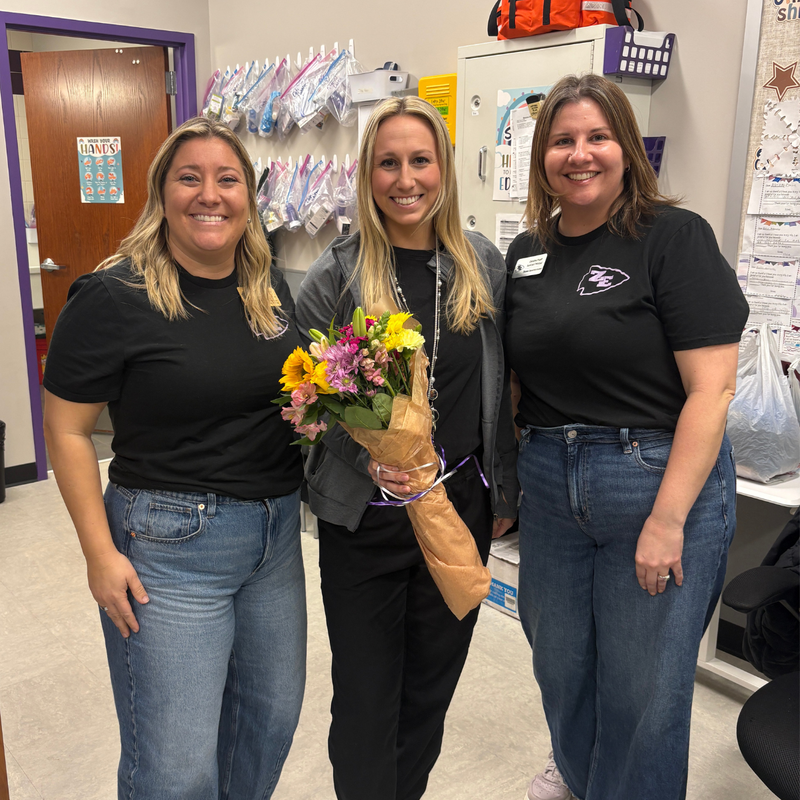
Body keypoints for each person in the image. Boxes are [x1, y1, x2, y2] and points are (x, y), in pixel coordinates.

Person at [42, 117, 306, 799]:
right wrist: (100, 555)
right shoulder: (112, 297)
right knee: (176, 763)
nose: (209, 194)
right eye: (190, 177)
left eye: (228, 179)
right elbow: (67, 431)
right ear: (162, 192)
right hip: (168, 543)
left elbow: (283, 397)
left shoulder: (266, 288)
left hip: (274, 539)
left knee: (266, 725)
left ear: (249, 195)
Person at [504, 74, 749, 800]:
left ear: (628, 149)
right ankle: (583, 782)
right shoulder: (524, 251)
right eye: (562, 140)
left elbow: (712, 390)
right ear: (542, 155)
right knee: (562, 668)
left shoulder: (673, 237)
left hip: (652, 479)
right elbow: (518, 380)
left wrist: (668, 520)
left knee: (644, 692)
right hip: (551, 483)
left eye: (597, 137)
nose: (580, 155)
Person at [295, 96, 519, 800]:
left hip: (458, 514)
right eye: (387, 163)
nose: (405, 179)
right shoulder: (336, 272)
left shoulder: (481, 262)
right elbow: (303, 403)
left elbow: (503, 388)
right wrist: (360, 459)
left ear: (444, 169)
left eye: (420, 160)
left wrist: (503, 494)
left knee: (429, 690)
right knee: (365, 700)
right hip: (366, 522)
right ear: (367, 175)